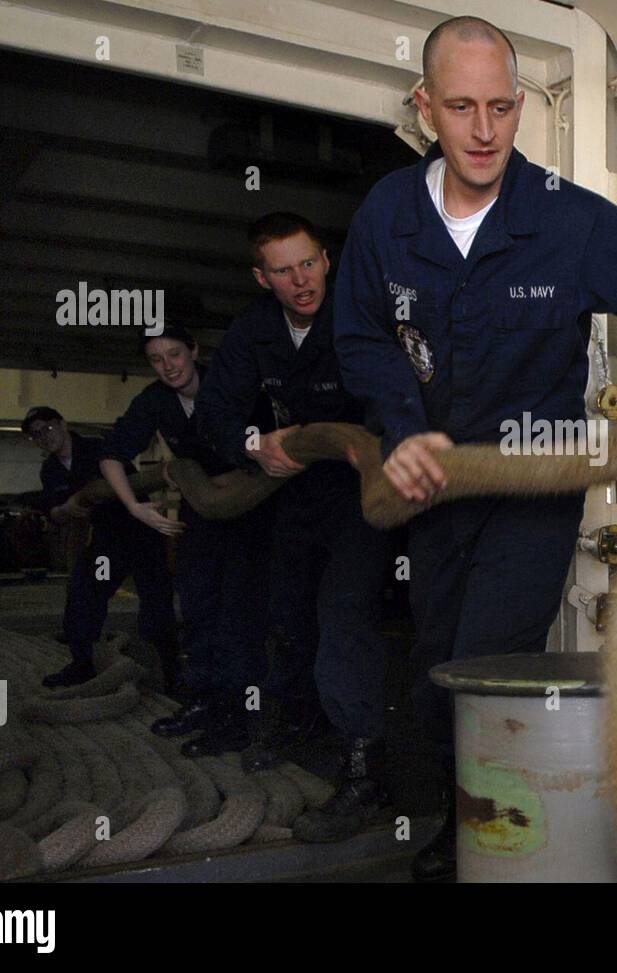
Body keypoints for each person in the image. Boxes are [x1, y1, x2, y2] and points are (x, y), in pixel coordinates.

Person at [328, 16, 617, 880]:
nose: (484, 130)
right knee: (437, 667)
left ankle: (504, 841)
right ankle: (469, 823)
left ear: (520, 106)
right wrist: (403, 428)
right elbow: (363, 336)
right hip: (436, 492)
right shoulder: (387, 215)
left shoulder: (567, 219)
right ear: (425, 107)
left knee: (489, 663)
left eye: (501, 107)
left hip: (535, 491)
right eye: (461, 108)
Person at [197, 213, 394, 815]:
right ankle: (297, 721)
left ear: (327, 261)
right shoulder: (253, 330)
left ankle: (363, 765)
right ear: (263, 278)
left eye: (308, 263)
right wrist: (253, 444)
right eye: (283, 271)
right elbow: (214, 414)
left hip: (362, 492)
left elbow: (407, 396)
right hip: (295, 491)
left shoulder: (366, 314)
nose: (301, 280)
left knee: (345, 615)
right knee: (286, 613)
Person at [98, 326, 274, 756]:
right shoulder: (155, 400)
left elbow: (276, 443)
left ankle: (238, 717)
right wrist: (135, 506)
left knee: (238, 617)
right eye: (156, 359)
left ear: (193, 351)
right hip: (201, 512)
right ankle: (203, 702)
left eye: (174, 354)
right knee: (197, 609)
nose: (168, 366)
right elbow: (112, 455)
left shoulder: (234, 386)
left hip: (249, 510)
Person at [23, 406, 177, 688]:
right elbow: (54, 512)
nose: (44, 437)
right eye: (36, 435)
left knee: (156, 604)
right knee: (83, 593)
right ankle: (82, 664)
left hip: (142, 534)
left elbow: (130, 485)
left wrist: (88, 496)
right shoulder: (51, 470)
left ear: (62, 424)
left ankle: (172, 672)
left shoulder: (99, 449)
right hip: (108, 541)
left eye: (47, 428)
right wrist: (66, 508)